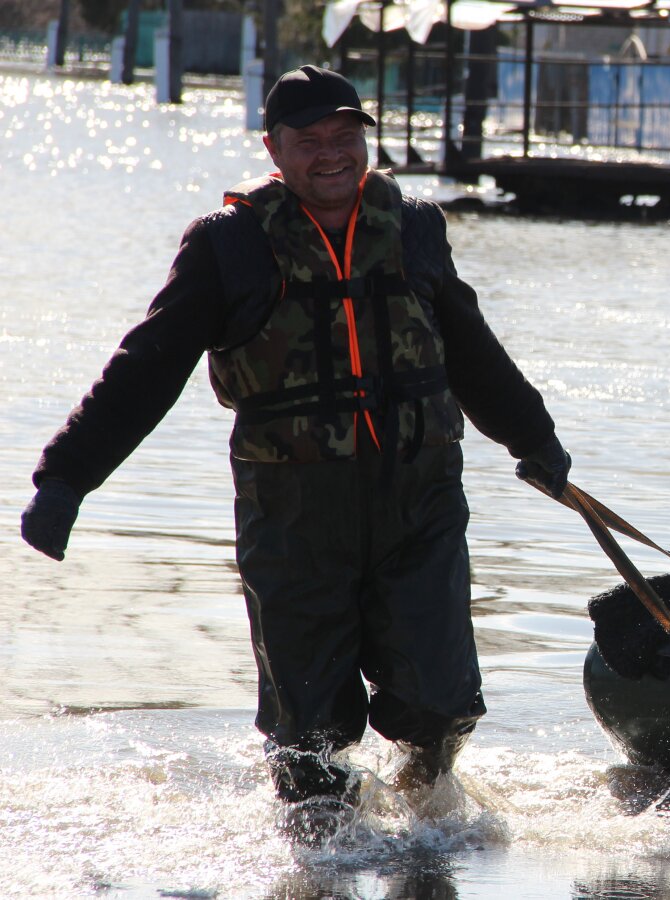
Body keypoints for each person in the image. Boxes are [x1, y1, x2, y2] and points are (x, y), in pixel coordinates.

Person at [19, 65, 572, 817]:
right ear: (274, 150)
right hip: (294, 514)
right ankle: (319, 856)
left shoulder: (414, 228)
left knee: (442, 704)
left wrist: (533, 438)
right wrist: (66, 478)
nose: (332, 154)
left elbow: (470, 349)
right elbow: (145, 368)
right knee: (306, 736)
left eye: (345, 137)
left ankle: (429, 828)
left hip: (420, 500)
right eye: (309, 141)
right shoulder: (230, 247)